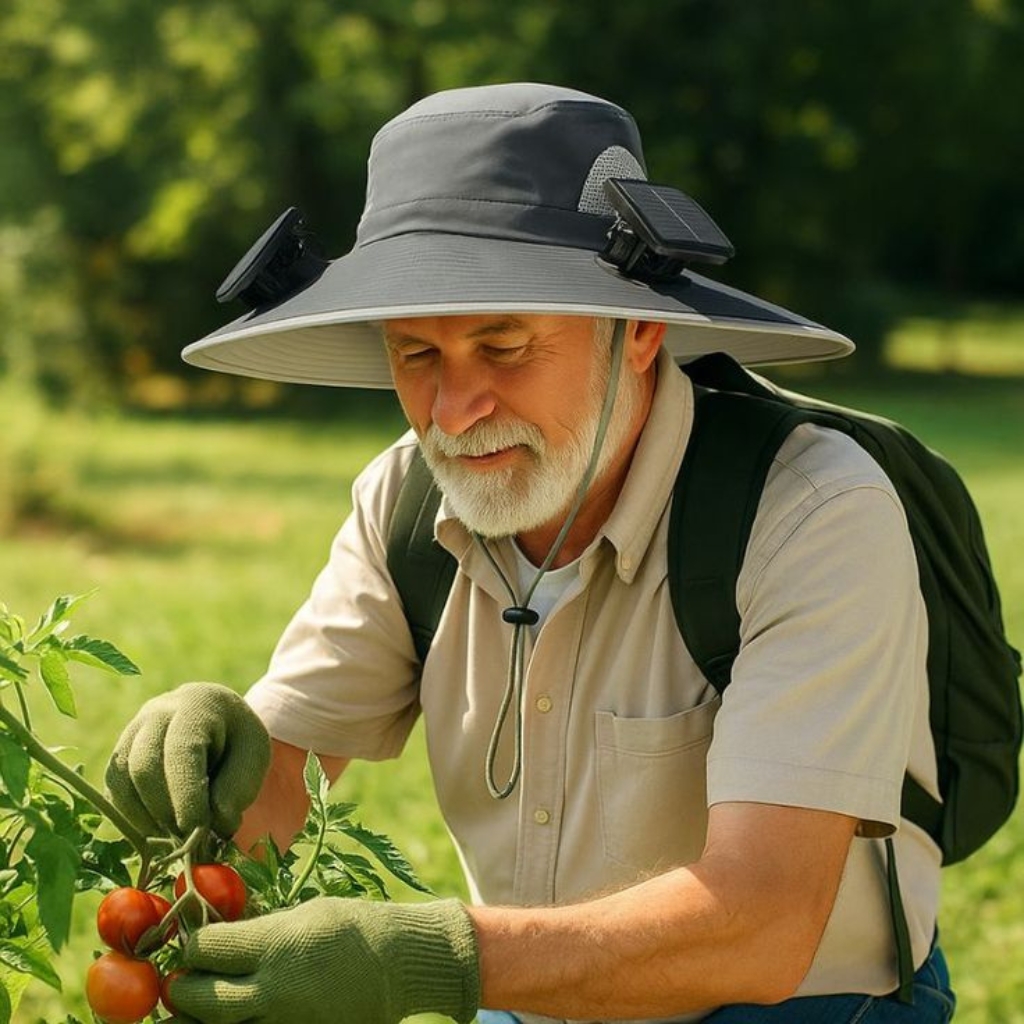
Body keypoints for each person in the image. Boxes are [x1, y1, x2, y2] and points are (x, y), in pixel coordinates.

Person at [105, 83, 956, 1024]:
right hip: (533, 993)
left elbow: (760, 923)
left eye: (503, 346)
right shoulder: (406, 499)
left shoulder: (813, 511)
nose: (451, 412)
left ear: (638, 330)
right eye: (415, 356)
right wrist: (214, 754)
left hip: (803, 1004)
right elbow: (275, 790)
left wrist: (421, 961)